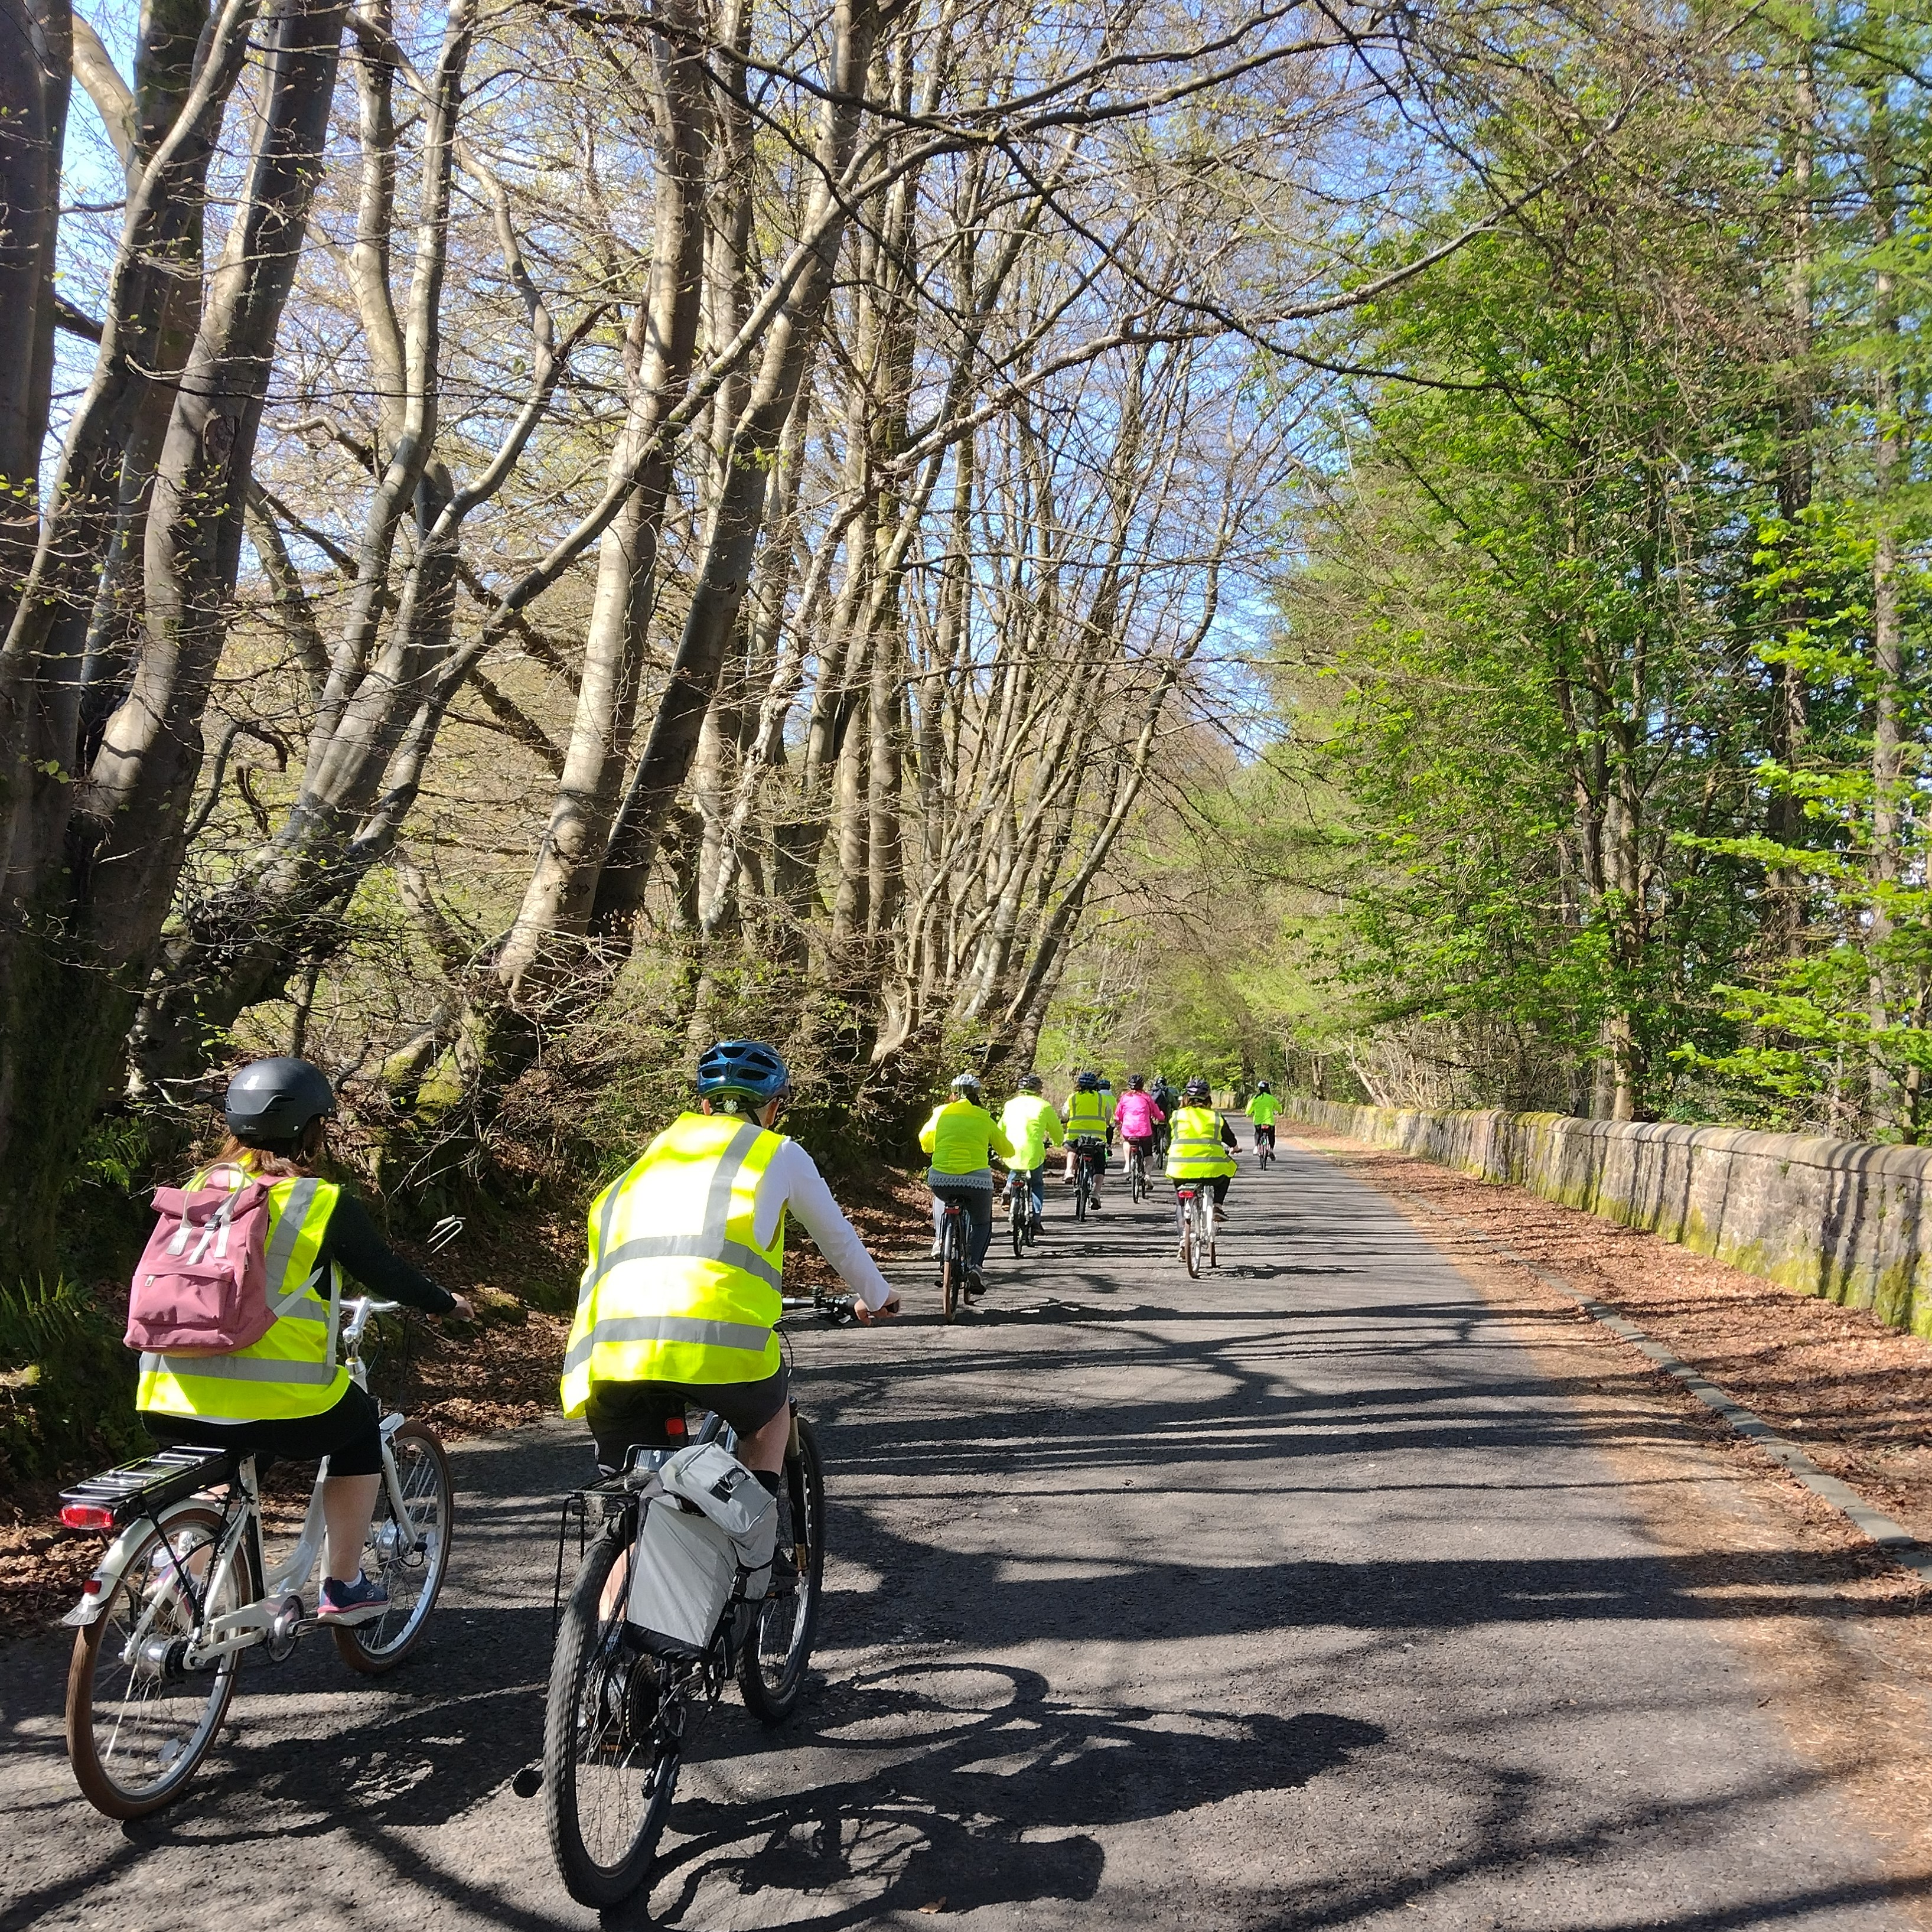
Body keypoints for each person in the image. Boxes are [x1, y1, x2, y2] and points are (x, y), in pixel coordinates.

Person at [137, 1057, 474, 1626]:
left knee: (230, 1457)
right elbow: (384, 1270)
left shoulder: (197, 1189)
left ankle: (180, 1568)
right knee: (358, 1430)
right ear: (311, 1128)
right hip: (279, 1401)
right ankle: (344, 1586)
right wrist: (446, 1303)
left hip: (169, 1394)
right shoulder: (317, 1201)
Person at [562, 1041, 900, 1504]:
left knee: (633, 1509)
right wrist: (876, 1295)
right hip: (718, 1348)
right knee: (770, 1417)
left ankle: (615, 1569)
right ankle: (753, 1551)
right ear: (773, 1108)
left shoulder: (653, 1158)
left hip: (609, 1354)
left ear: (703, 1105)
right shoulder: (776, 1152)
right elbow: (836, 1238)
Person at [919, 1072, 1015, 1295]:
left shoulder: (941, 1113)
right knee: (982, 1224)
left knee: (941, 1197)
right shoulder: (983, 1117)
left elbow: (925, 1140)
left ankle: (940, 1241)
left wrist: (932, 1148)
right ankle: (975, 1267)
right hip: (976, 1180)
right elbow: (1006, 1149)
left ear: (952, 1094)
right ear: (977, 1095)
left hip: (942, 1178)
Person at [1165, 1076, 1239, 1231]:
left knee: (1180, 1203)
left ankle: (1183, 1241)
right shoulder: (1215, 1117)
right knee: (1229, 1169)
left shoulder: (1177, 1116)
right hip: (1211, 1171)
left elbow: (1168, 1139)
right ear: (1208, 1098)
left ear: (1186, 1098)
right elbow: (1230, 1139)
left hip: (1180, 1169)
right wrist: (1235, 1147)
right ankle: (1217, 1206)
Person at [999, 1073, 1064, 1233]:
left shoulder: (1010, 1105)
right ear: (1039, 1090)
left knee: (1016, 1167)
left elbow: (1001, 1128)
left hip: (1012, 1149)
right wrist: (1057, 1142)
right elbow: (1056, 1130)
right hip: (1034, 1150)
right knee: (1036, 1184)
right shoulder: (1044, 1106)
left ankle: (1009, 1187)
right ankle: (1036, 1221)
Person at [1061, 1071, 1110, 1203]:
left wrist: (1066, 1120)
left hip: (1076, 1134)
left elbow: (1064, 1114)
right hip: (1097, 1137)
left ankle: (1069, 1171)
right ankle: (1096, 1193)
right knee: (1100, 1164)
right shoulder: (1101, 1099)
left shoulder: (1073, 1098)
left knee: (1072, 1150)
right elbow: (1108, 1116)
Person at [1112, 1074, 1165, 1181]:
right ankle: (1148, 1175)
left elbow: (1118, 1115)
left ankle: (1127, 1164)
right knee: (1148, 1153)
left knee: (1127, 1141)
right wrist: (1161, 1117)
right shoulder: (1146, 1097)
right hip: (1144, 1130)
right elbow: (1156, 1112)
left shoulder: (1125, 1098)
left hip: (1129, 1129)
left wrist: (1118, 1121)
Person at [1247, 1080, 1279, 1157]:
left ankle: (1256, 1148)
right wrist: (1280, 1111)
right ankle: (1271, 1149)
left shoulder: (1256, 1099)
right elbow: (1279, 1107)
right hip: (1269, 1122)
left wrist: (1248, 1113)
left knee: (1258, 1133)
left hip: (1258, 1121)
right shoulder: (1271, 1098)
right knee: (1271, 1134)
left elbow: (1249, 1108)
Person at [1150, 1076, 1178, 1160]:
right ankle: (1167, 1147)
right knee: (1169, 1131)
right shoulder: (1169, 1094)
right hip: (1166, 1118)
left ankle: (1154, 1147)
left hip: (1155, 1119)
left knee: (1153, 1131)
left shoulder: (1153, 1093)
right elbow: (1175, 1106)